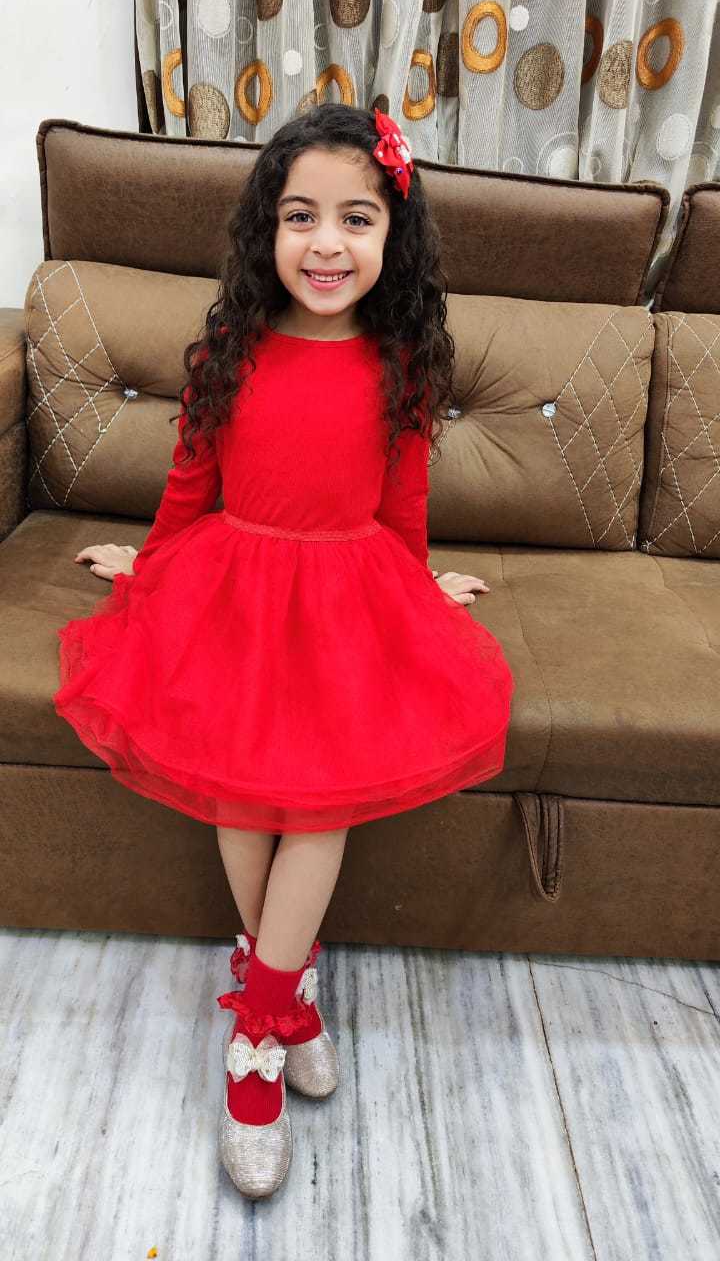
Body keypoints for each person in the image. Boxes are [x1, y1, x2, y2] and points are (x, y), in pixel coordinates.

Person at [52, 103, 515, 1199]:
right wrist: (152, 569)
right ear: (267, 228)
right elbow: (188, 487)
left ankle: (257, 1027)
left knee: (317, 806)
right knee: (240, 787)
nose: (325, 242)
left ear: (394, 236)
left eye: (356, 218)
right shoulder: (231, 349)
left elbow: (404, 507)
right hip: (235, 590)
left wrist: (417, 590)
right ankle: (287, 994)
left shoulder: (404, 365)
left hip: (349, 595)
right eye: (300, 215)